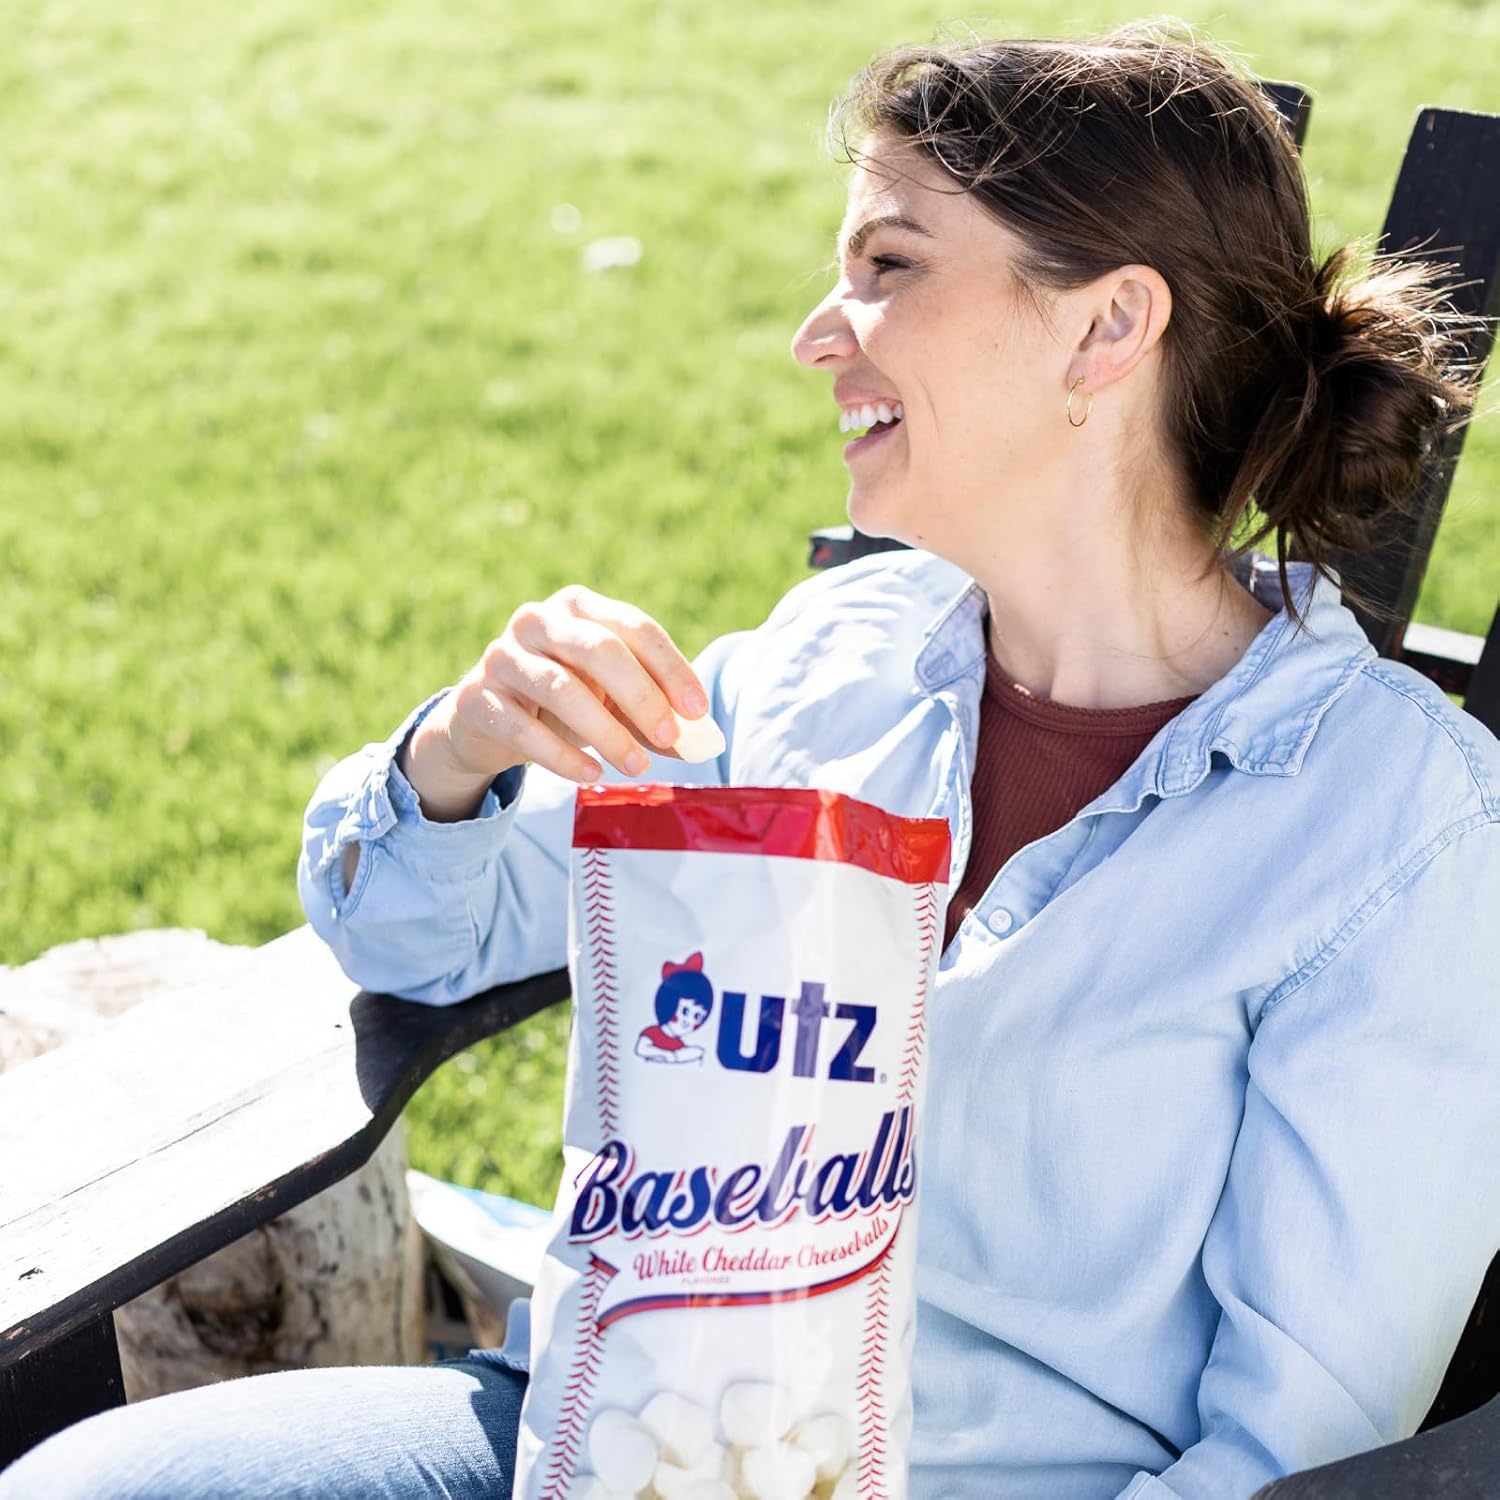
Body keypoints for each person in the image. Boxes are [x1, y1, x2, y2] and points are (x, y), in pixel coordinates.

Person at [5, 18, 1498, 1500]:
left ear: (1106, 328)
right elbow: (412, 930)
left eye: (890, 266)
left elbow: (1297, 1452)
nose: (814, 331)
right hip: (593, 1434)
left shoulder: (1393, 834)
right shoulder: (825, 666)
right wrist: (459, 755)